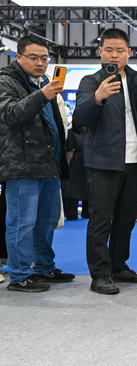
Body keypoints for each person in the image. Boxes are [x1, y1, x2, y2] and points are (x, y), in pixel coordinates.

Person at [74, 28, 137, 295]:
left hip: (132, 162)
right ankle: (100, 274)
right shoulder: (90, 81)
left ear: (128, 53)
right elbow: (79, 119)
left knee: (126, 218)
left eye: (120, 50)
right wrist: (98, 97)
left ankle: (119, 266)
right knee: (101, 220)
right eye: (109, 50)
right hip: (102, 162)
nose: (115, 55)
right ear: (101, 52)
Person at [0, 35, 74, 292]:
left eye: (44, 58)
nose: (40, 62)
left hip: (49, 165)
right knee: (21, 222)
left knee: (47, 221)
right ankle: (20, 275)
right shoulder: (6, 82)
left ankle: (44, 267)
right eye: (33, 57)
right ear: (18, 57)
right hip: (21, 166)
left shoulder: (43, 84)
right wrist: (42, 95)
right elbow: (10, 115)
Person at [61, 118, 90, 220]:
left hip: (74, 161)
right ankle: (87, 213)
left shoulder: (71, 132)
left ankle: (71, 214)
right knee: (88, 190)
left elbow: (66, 148)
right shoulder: (91, 131)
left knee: (71, 191)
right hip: (88, 160)